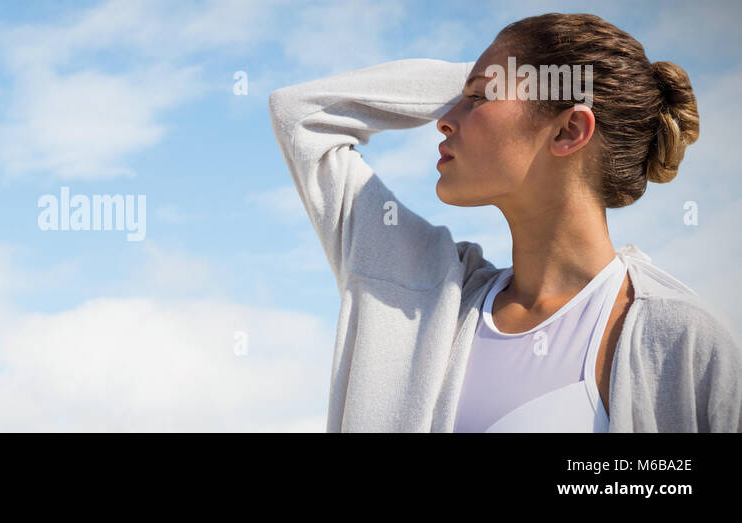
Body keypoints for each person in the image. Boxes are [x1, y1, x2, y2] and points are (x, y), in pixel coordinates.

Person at [267, 12, 741, 432]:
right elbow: (301, 114)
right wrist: (490, 76)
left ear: (569, 130)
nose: (444, 119)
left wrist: (542, 78)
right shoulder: (425, 295)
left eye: (477, 98)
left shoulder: (681, 340)